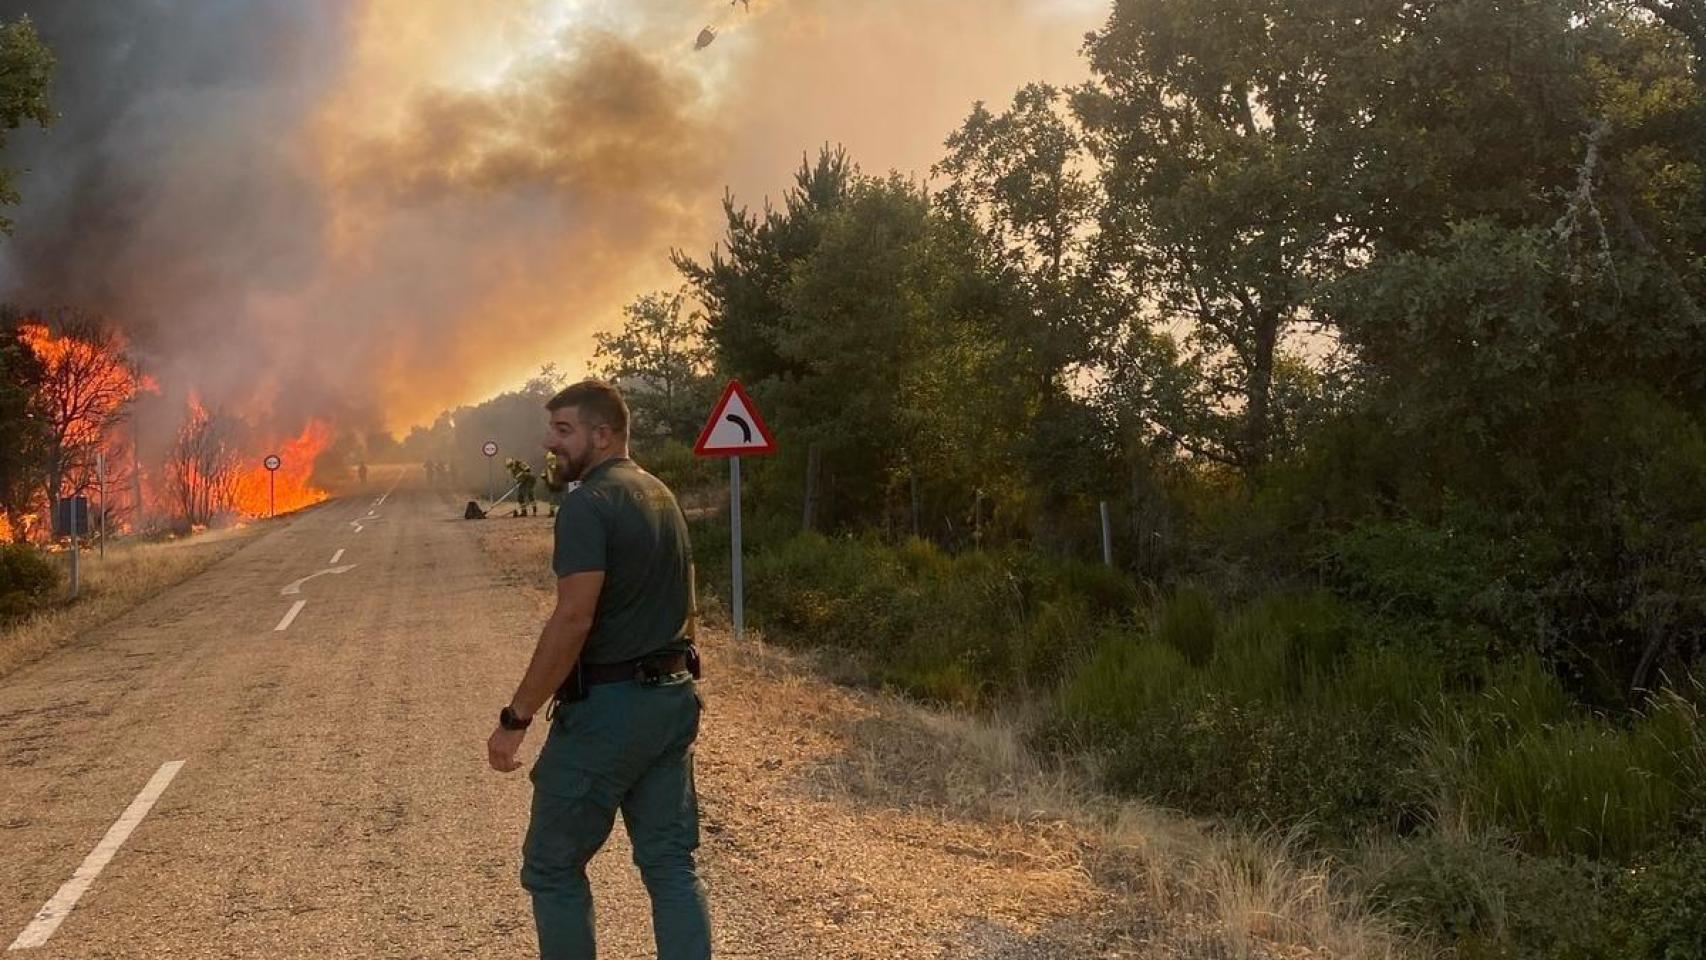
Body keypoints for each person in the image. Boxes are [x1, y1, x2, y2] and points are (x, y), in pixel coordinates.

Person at [487, 378, 711, 960]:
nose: (550, 443)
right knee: (669, 863)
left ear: (603, 433)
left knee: (553, 865)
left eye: (564, 431)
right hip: (673, 699)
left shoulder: (588, 503)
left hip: (611, 710)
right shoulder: (660, 494)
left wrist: (516, 717)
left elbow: (573, 619)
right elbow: (685, 604)